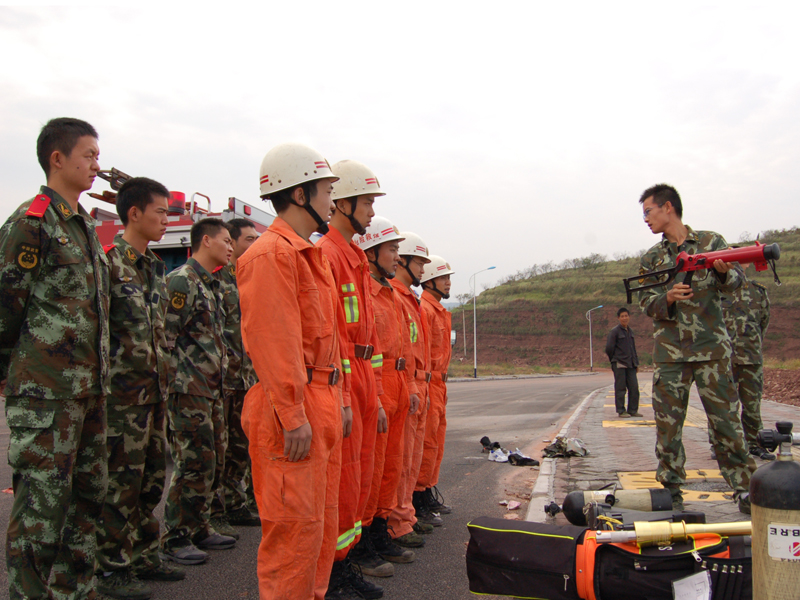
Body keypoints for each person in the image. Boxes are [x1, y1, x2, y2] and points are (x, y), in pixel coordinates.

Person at [0, 117, 110, 599]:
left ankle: (74, 592)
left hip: (89, 389)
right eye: (87, 155)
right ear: (57, 159)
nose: (95, 165)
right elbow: (5, 306)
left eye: (97, 155)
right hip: (46, 392)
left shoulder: (84, 225)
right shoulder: (32, 221)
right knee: (41, 510)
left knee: (87, 502)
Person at [238, 142, 350, 600]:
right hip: (293, 406)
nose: (331, 200)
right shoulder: (271, 255)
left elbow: (330, 340)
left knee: (319, 529)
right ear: (300, 195)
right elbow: (274, 341)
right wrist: (292, 413)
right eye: (326, 190)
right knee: (293, 535)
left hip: (318, 401)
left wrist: (339, 400)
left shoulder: (310, 254)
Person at [637, 183, 756, 513]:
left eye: (648, 211)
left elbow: (736, 284)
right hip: (670, 354)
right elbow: (646, 302)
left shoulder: (711, 242)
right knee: (668, 427)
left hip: (711, 350)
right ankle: (672, 492)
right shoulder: (652, 258)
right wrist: (667, 298)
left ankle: (745, 488)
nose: (645, 219)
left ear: (668, 208)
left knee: (726, 423)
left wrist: (722, 275)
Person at [95, 177, 184, 599]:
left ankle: (145, 553)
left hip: (155, 394)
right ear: (134, 213)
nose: (168, 219)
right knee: (119, 485)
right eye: (161, 212)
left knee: (151, 480)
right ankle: (111, 567)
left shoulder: (154, 271)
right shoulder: (108, 264)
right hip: (121, 398)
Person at [316, 160, 384, 600]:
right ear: (343, 203)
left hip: (362, 374)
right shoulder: (328, 254)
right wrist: (342, 392)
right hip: (343, 373)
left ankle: (348, 559)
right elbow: (332, 331)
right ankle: (334, 571)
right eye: (368, 202)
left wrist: (373, 394)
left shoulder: (355, 257)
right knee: (341, 478)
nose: (373, 213)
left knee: (358, 473)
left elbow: (369, 337)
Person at [161, 218, 236, 564]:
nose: (231, 246)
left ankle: (199, 524)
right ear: (206, 241)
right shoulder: (182, 281)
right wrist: (173, 384)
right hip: (188, 389)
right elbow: (165, 337)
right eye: (225, 240)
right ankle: (176, 535)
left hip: (210, 388)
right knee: (193, 461)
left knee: (213, 460)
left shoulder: (211, 284)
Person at [353, 218, 420, 578]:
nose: (397, 255)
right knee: (369, 470)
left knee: (389, 467)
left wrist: (408, 388)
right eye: (392, 248)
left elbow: (404, 348)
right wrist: (377, 396)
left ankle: (380, 531)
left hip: (397, 385)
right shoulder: (368, 292)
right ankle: (362, 541)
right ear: (372, 251)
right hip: (377, 387)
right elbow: (369, 351)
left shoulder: (390, 294)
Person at [209, 218, 261, 537]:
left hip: (247, 377)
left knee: (242, 446)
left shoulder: (250, 279)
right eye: (247, 240)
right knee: (221, 447)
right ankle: (215, 511)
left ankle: (236, 502)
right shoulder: (220, 280)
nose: (254, 245)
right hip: (224, 379)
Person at [388, 232, 440, 545]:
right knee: (398, 461)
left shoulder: (408, 298)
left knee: (412, 458)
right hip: (404, 382)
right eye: (418, 262)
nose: (423, 269)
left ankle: (405, 516)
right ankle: (396, 521)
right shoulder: (394, 296)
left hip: (420, 382)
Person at [417, 255, 455, 515]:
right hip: (429, 383)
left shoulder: (439, 311)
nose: (448, 283)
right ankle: (418, 497)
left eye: (449, 278)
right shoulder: (425, 310)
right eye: (443, 278)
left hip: (439, 384)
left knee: (436, 442)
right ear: (429, 281)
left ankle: (427, 489)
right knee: (426, 443)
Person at [722, 268, 773, 460]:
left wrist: (754, 343)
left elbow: (763, 322)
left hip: (751, 357)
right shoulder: (718, 292)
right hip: (724, 359)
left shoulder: (757, 291)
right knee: (724, 405)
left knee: (752, 404)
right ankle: (722, 444)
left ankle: (754, 443)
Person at [605, 307, 641, 418]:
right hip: (619, 363)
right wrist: (614, 360)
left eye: (626, 316)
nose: (624, 318)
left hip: (631, 364)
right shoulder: (614, 332)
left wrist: (636, 363)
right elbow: (609, 348)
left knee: (634, 387)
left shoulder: (630, 331)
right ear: (618, 318)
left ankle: (633, 410)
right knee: (620, 388)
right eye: (622, 316)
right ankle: (621, 411)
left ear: (629, 317)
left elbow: (633, 348)